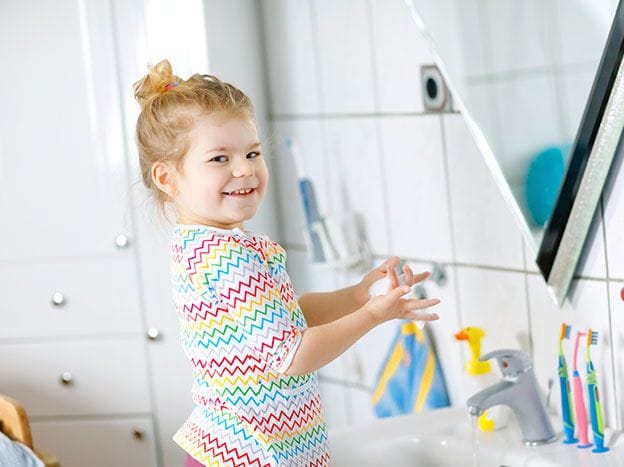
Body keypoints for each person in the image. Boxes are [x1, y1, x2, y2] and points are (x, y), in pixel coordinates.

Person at [132, 59, 441, 467]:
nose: (244, 169)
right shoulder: (225, 256)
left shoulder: (209, 243)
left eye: (252, 152)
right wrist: (372, 315)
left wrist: (356, 294)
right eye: (219, 159)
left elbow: (287, 320)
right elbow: (293, 355)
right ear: (167, 179)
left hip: (238, 450)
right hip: (249, 455)